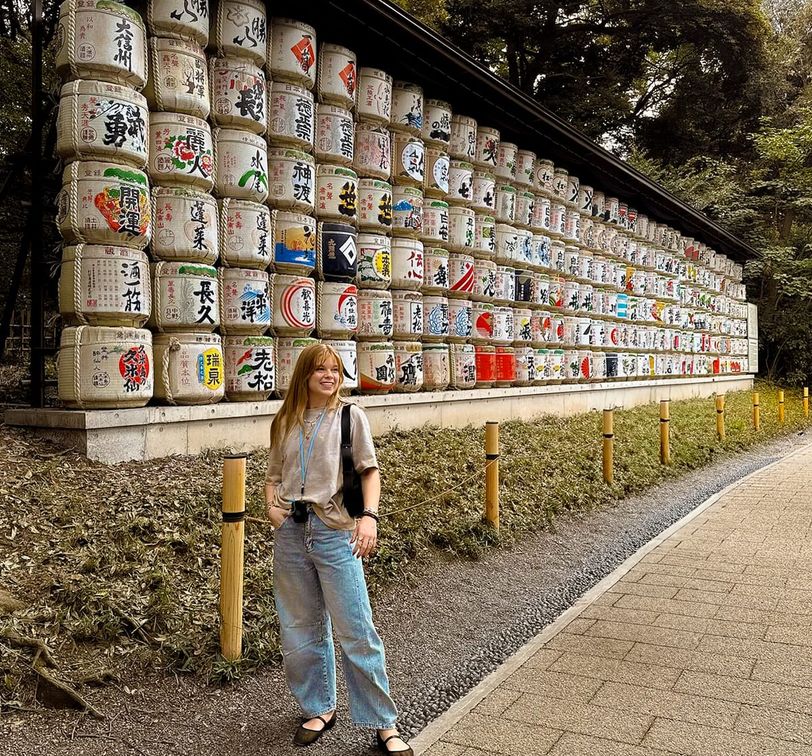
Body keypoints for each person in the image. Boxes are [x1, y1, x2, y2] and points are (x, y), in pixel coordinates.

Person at [265, 343, 412, 755]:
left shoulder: (351, 416)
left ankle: (383, 723)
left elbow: (370, 471)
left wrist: (369, 517)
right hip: (293, 534)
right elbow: (273, 476)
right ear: (304, 376)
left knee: (356, 630)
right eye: (320, 370)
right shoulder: (286, 420)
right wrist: (272, 510)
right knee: (299, 627)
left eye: (335, 369)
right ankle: (319, 707)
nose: (329, 376)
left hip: (336, 532)